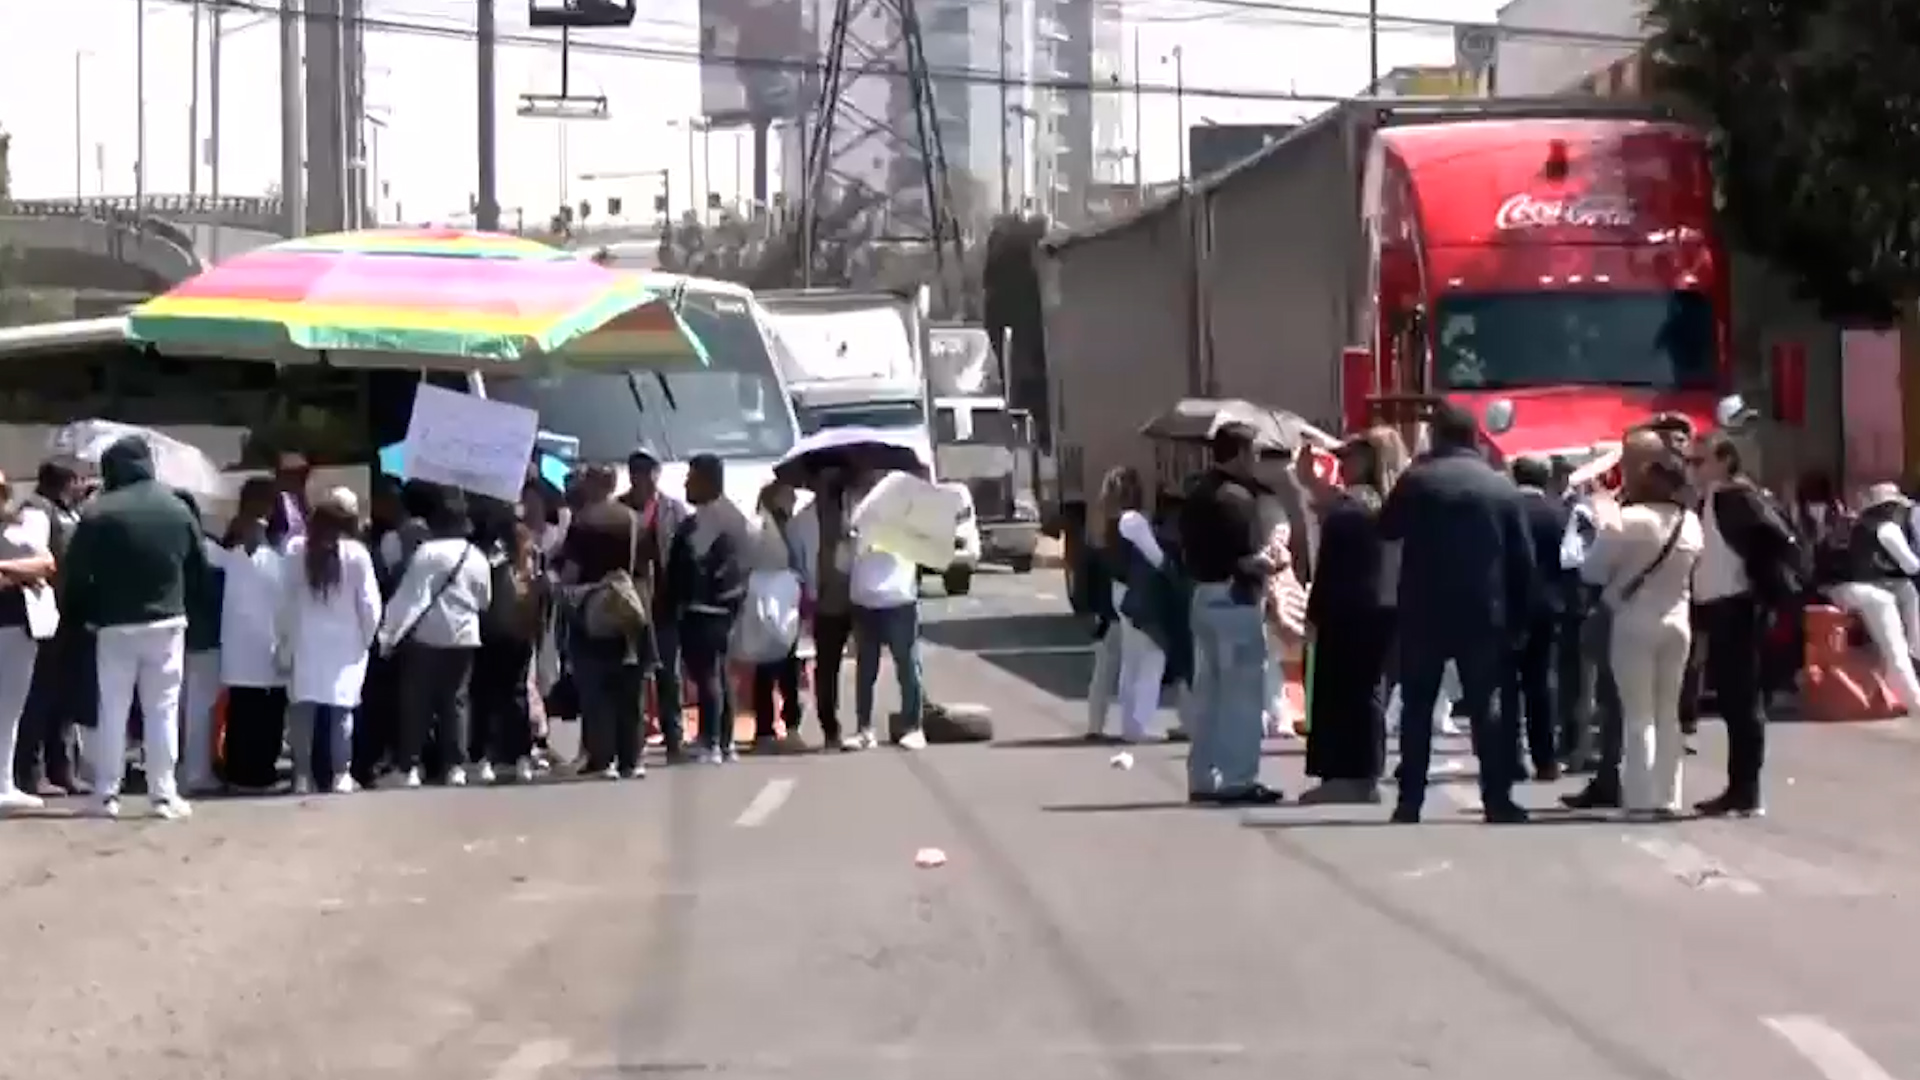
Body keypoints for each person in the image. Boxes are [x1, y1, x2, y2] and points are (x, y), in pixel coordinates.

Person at [1378, 402, 1533, 824]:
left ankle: (1409, 799)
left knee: (1418, 707)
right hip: (1485, 612)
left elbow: (1386, 528)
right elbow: (1523, 559)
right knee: (1488, 706)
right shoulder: (1501, 488)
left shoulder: (1419, 480)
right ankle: (1497, 798)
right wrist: (1520, 619)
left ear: (1438, 437)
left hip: (1424, 610)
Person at [61, 435, 211, 820]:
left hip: (113, 626)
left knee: (113, 708)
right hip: (168, 621)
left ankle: (105, 795)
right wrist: (188, 608)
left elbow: (75, 575)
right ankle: (164, 794)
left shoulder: (98, 512)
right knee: (162, 709)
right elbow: (199, 570)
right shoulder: (177, 508)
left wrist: (83, 614)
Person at [1582, 456, 1702, 819]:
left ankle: (1638, 798)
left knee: (1638, 713)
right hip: (1679, 621)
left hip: (1634, 621)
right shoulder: (1691, 522)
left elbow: (1592, 570)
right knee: (1669, 712)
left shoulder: (1630, 519)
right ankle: (1668, 796)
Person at [1687, 432, 1797, 817]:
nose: (1692, 469)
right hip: (1721, 610)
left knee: (1743, 702)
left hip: (1738, 608)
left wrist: (1760, 583)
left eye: (1699, 461)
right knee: (1734, 703)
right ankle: (1738, 788)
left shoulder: (1735, 497)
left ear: (1725, 460)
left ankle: (1746, 791)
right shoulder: (1714, 498)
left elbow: (1776, 539)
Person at [1176, 422, 1284, 805]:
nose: (1256, 461)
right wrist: (1272, 563)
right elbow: (1246, 559)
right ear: (1238, 454)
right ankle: (1239, 779)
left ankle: (1203, 776)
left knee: (1209, 694)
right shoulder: (1237, 500)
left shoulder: (1197, 493)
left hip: (1203, 597)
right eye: (1253, 453)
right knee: (1241, 695)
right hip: (1235, 601)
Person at [1299, 433, 1394, 804]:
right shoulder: (1373, 504)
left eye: (1351, 457)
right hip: (1368, 611)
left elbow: (1333, 568)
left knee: (1349, 693)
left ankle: (1354, 774)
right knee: (1355, 692)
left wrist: (1314, 612)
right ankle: (1350, 772)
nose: (1346, 464)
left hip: (1351, 611)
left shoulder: (1358, 507)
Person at [378, 485, 491, 787]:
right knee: (456, 702)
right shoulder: (477, 556)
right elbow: (485, 601)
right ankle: (455, 766)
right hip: (465, 635)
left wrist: (389, 633)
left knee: (418, 701)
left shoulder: (427, 553)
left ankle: (410, 766)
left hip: (428, 635)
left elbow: (411, 597)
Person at [280, 489, 383, 794]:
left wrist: (284, 638)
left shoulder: (295, 549)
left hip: (304, 640)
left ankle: (301, 776)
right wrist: (365, 638)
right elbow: (370, 605)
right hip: (345, 644)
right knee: (342, 710)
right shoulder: (357, 554)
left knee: (302, 710)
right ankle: (341, 775)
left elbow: (284, 600)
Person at [556, 465, 651, 779]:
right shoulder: (635, 519)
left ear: (594, 484)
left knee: (597, 689)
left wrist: (559, 592)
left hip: (595, 608)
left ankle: (603, 758)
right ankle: (632, 759)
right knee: (630, 689)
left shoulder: (584, 522)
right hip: (633, 608)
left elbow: (571, 572)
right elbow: (649, 568)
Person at [204, 478, 291, 792]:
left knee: (247, 710)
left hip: (247, 648)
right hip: (262, 646)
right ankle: (254, 774)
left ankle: (244, 772)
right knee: (259, 712)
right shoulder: (273, 556)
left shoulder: (232, 554)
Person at [665, 454, 751, 763]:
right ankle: (724, 742)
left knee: (707, 675)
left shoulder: (708, 520)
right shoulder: (734, 516)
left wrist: (679, 598)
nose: (687, 483)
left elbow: (691, 565)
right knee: (719, 672)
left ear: (709, 480)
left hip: (705, 607)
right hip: (726, 607)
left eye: (692, 477)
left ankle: (710, 740)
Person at [844, 467, 929, 751]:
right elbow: (851, 551)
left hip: (898, 597)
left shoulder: (904, 513)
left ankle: (913, 726)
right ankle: (863, 729)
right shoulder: (855, 512)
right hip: (864, 599)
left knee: (907, 665)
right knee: (865, 668)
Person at [13, 460, 84, 796]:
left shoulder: (65, 509)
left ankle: (62, 768)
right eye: (76, 480)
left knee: (63, 697)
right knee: (39, 697)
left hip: (67, 615)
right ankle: (31, 771)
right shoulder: (36, 511)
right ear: (65, 481)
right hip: (44, 615)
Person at [1825, 483, 1920, 712]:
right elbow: (1912, 565)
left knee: (1905, 590)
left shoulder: (1853, 525)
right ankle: (1912, 694)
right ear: (1889, 508)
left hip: (1836, 588)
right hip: (1868, 592)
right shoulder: (1887, 528)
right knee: (1893, 642)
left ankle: (1910, 655)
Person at [621, 447, 691, 760]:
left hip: (665, 604)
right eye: (636, 470)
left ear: (657, 473)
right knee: (633, 677)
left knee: (669, 677)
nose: (642, 477)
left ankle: (674, 739)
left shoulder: (673, 510)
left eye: (648, 470)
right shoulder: (620, 509)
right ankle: (631, 743)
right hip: (629, 606)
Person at [1504, 455, 1571, 781]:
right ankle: (1546, 759)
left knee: (1506, 684)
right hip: (1548, 606)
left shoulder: (1506, 510)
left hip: (1508, 605)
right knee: (1541, 683)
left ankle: (1511, 756)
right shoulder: (1559, 512)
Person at [788, 467, 864, 750]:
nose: (829, 487)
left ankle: (863, 726)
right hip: (825, 604)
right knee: (826, 668)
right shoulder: (801, 522)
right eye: (824, 481)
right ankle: (830, 728)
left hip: (858, 599)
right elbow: (796, 563)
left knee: (865, 666)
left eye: (835, 482)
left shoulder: (857, 514)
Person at [1095, 466, 1171, 744]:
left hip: (1120, 591)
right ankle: (1139, 724)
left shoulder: (1110, 521)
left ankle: (1130, 724)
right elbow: (1157, 558)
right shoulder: (1134, 521)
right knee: (1152, 657)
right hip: (1138, 592)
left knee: (1131, 659)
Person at [0, 469, 59, 811]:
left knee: (10, 709)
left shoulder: (22, 525)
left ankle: (5, 781)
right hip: (12, 623)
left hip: (18, 623)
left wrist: (6, 569)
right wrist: (19, 571)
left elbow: (45, 564)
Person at [748, 480, 809, 752]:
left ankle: (785, 725)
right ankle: (767, 728)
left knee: (787, 667)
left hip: (786, 600)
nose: (793, 499)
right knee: (771, 666)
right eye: (788, 495)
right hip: (771, 598)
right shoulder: (763, 526)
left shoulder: (792, 525)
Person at [173, 490, 225, 797]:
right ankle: (197, 772)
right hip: (205, 637)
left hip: (171, 633)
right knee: (200, 708)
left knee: (170, 707)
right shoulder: (210, 549)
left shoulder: (164, 548)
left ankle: (173, 769)